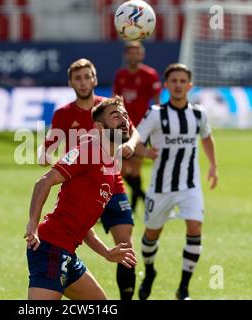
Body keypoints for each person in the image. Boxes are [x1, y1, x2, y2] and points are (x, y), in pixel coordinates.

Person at [37, 58, 140, 300]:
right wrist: (44, 154)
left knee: (126, 247)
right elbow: (50, 142)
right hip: (82, 186)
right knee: (71, 232)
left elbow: (133, 132)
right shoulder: (64, 114)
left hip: (112, 184)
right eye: (78, 78)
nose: (83, 82)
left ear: (95, 79)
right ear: (71, 82)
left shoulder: (108, 108)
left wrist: (132, 146)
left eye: (87, 76)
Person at [135, 63, 218, 300]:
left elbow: (207, 138)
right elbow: (136, 140)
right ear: (167, 85)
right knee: (152, 234)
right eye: (174, 81)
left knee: (195, 227)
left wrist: (214, 166)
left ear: (189, 86)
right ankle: (150, 272)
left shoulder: (198, 114)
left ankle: (183, 289)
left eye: (183, 81)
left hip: (189, 185)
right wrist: (144, 152)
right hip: (160, 187)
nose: (179, 85)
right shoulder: (156, 113)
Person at [113, 41, 162, 212]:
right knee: (123, 169)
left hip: (142, 128)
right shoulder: (120, 75)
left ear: (142, 55)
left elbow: (157, 102)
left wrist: (157, 124)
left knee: (136, 169)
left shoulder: (149, 75)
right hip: (123, 127)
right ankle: (144, 198)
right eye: (130, 53)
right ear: (126, 55)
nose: (133, 56)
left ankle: (132, 208)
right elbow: (115, 100)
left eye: (137, 53)